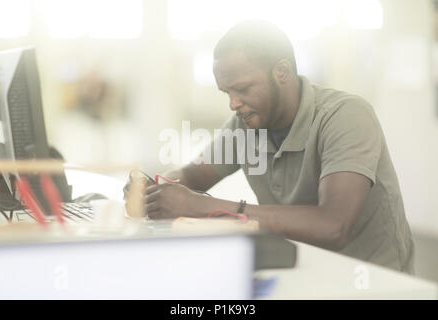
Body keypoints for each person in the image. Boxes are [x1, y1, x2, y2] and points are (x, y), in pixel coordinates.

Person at [125, 21, 414, 274]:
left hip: (371, 281)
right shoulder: (245, 124)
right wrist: (155, 191)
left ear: (282, 72)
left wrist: (203, 207)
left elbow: (333, 225)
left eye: (243, 89)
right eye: (227, 93)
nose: (233, 103)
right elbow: (191, 175)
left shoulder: (346, 115)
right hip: (300, 268)